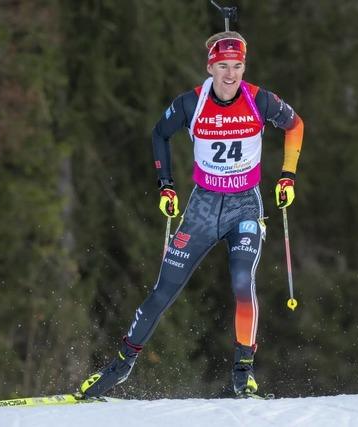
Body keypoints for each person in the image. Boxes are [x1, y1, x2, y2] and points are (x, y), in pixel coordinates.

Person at [79, 31, 304, 398]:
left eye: (237, 66)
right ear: (210, 67)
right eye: (223, 66)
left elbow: (295, 126)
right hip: (202, 207)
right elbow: (158, 134)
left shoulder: (260, 100)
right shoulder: (191, 104)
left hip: (245, 205)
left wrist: (287, 176)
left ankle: (243, 372)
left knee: (241, 281)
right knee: (163, 289)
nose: (231, 75)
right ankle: (119, 366)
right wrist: (166, 185)